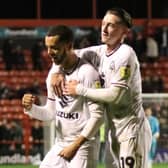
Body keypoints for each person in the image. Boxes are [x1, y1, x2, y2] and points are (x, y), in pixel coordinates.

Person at [50, 8, 152, 168]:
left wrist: (79, 90)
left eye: (111, 25)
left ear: (125, 31)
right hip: (113, 132)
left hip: (131, 130)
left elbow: (115, 95)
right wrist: (57, 71)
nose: (104, 29)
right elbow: (67, 54)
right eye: (103, 23)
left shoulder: (126, 54)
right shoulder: (98, 52)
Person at [22, 25, 104, 168]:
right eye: (47, 47)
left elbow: (98, 117)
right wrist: (30, 108)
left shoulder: (87, 73)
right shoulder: (53, 75)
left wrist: (76, 145)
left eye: (54, 48)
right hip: (60, 143)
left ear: (69, 46)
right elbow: (50, 113)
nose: (49, 52)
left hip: (83, 146)